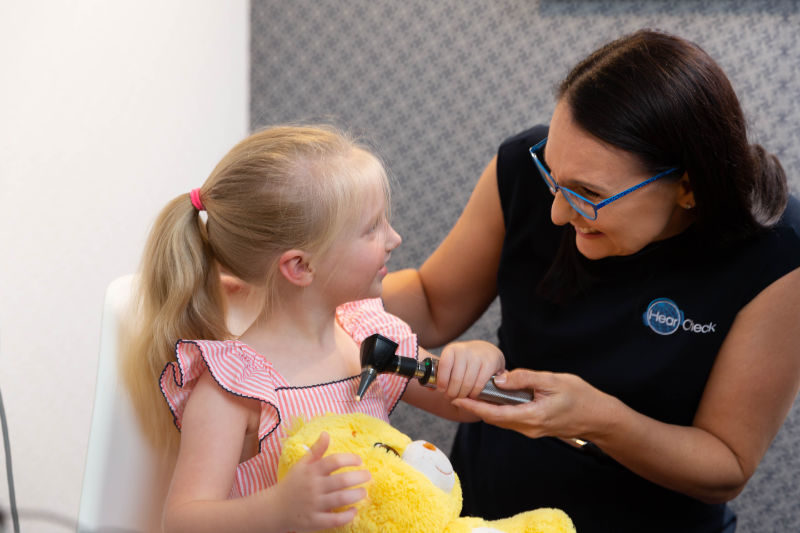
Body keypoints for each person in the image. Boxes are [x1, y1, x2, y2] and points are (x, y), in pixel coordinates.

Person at [383, 29, 800, 533]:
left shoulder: (776, 250)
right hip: (488, 516)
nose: (558, 213)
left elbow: (726, 465)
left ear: (688, 186)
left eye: (588, 194)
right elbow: (431, 302)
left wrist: (599, 419)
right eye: (553, 178)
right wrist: (332, 287)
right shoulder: (524, 170)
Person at [121, 125, 505, 533]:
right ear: (301, 266)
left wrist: (482, 360)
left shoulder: (366, 335)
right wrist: (277, 509)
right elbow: (182, 521)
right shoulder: (237, 384)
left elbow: (461, 404)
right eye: (371, 228)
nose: (394, 238)